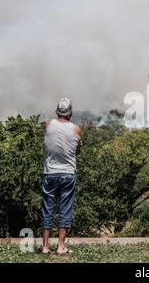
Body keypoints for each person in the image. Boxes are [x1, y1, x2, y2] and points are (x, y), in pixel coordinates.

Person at [41, 98, 82, 255]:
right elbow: (76, 152)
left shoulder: (48, 124)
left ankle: (45, 247)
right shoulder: (76, 130)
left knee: (47, 209)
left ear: (57, 111)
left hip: (50, 173)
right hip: (67, 174)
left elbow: (49, 140)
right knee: (65, 209)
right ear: (70, 112)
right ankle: (60, 247)